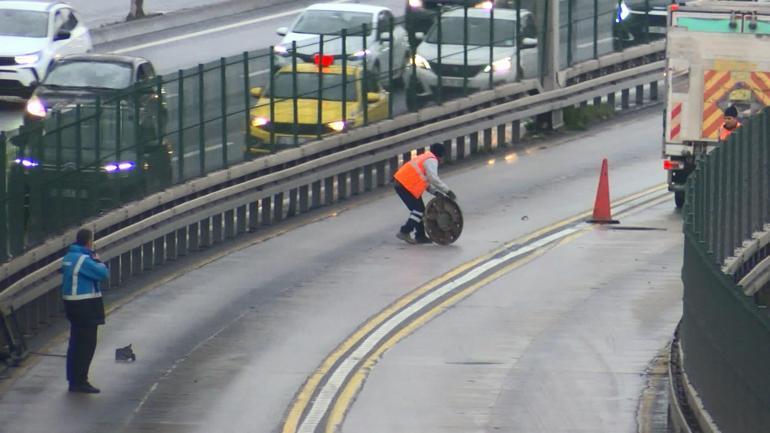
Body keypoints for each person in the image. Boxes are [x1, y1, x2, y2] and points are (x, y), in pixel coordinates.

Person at [61, 228, 108, 393]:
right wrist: (98, 260)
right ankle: (80, 381)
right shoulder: (83, 259)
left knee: (75, 342)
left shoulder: (69, 257)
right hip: (85, 304)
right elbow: (102, 273)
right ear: (89, 241)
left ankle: (73, 379)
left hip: (72, 304)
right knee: (86, 344)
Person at [393, 143, 456, 244]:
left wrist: (435, 192)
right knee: (418, 211)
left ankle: (420, 236)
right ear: (440, 155)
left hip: (404, 184)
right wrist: (447, 191)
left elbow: (424, 180)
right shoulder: (432, 160)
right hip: (405, 185)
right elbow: (433, 179)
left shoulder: (425, 157)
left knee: (420, 210)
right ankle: (404, 231)